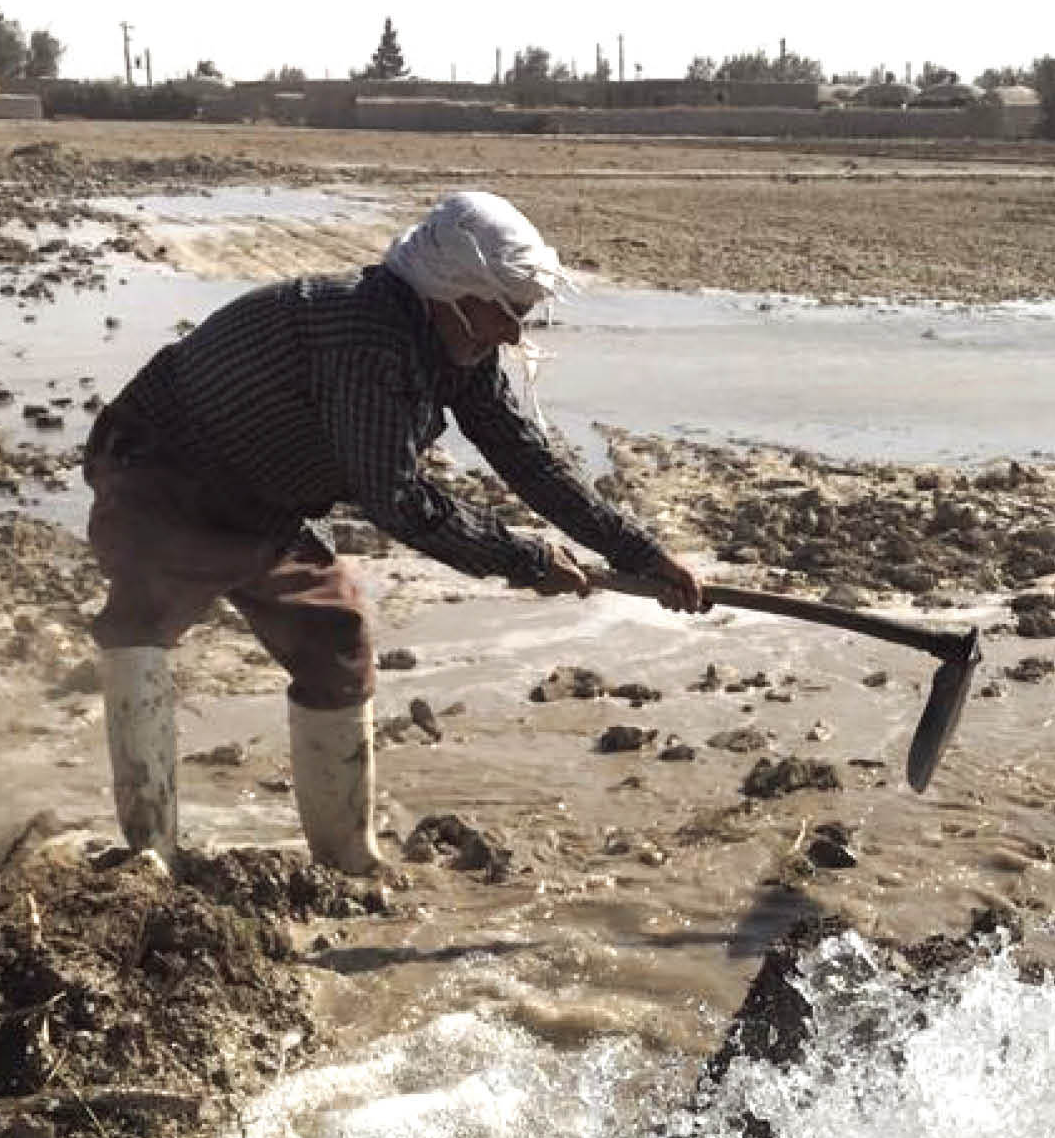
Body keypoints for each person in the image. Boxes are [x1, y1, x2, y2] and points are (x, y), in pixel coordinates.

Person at [81, 189, 703, 875]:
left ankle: (349, 858)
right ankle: (149, 856)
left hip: (262, 499)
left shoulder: (451, 345)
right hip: (165, 469)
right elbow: (398, 500)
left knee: (334, 636)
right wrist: (522, 559)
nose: (511, 335)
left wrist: (642, 554)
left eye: (522, 317)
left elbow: (526, 454)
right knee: (145, 620)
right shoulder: (366, 337)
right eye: (508, 314)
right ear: (455, 292)